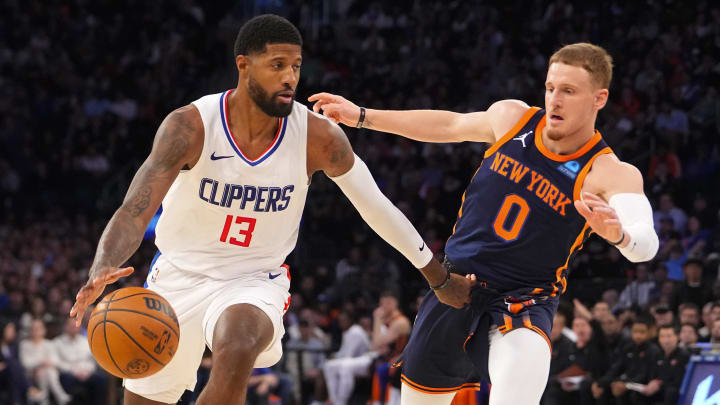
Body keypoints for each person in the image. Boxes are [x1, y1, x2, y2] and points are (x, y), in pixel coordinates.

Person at [68, 14, 472, 405]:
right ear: (243, 65)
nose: (290, 77)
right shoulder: (190, 126)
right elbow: (135, 209)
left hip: (255, 278)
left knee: (239, 342)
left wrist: (438, 278)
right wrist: (101, 266)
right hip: (179, 276)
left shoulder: (319, 138)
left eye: (296, 66)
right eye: (277, 65)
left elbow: (377, 208)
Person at [309, 42, 659, 404]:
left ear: (599, 99)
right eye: (551, 87)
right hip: (454, 284)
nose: (555, 99)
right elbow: (449, 123)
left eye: (569, 91)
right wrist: (363, 116)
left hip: (524, 300)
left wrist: (620, 235)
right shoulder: (513, 118)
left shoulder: (608, 172)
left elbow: (646, 244)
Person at [53, 318, 108, 405]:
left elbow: (92, 360)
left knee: (102, 379)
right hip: (69, 374)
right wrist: (74, 372)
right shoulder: (57, 342)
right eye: (70, 326)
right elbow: (56, 362)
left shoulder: (85, 341)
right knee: (67, 379)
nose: (73, 328)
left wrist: (87, 371)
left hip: (87, 373)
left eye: (75, 326)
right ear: (65, 327)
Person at [19, 320, 71, 405]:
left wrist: (45, 364)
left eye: (38, 328)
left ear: (44, 330)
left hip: (47, 372)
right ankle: (60, 396)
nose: (36, 331)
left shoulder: (49, 344)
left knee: (46, 371)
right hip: (30, 374)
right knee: (46, 371)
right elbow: (25, 363)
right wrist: (40, 362)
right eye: (33, 329)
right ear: (30, 330)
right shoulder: (24, 344)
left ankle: (44, 400)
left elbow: (56, 361)